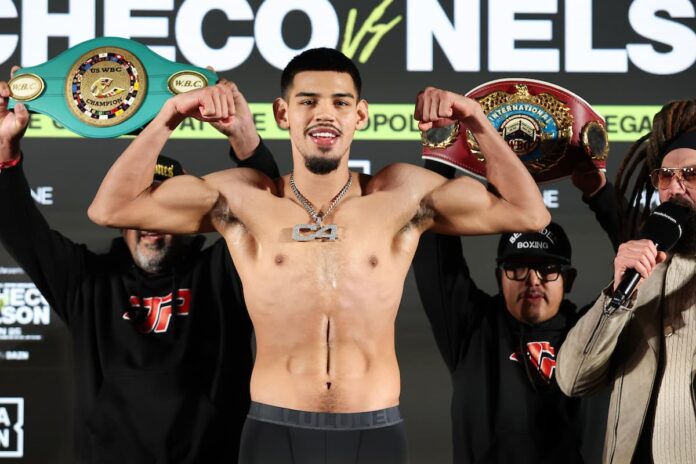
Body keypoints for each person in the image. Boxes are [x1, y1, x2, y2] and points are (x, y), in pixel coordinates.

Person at [87, 47, 550, 463]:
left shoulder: (401, 195)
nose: (324, 114)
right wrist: (169, 114)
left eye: (340, 102)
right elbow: (111, 208)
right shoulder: (244, 200)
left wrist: (475, 120)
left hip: (375, 431)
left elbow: (529, 214)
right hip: (275, 428)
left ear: (361, 115)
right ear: (283, 113)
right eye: (308, 101)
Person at [0, 76, 279, 463]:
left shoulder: (222, 273)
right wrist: (5, 156)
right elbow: (18, 227)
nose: (150, 222)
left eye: (162, 207)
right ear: (118, 216)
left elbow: (268, 215)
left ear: (186, 218)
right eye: (138, 207)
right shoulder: (87, 283)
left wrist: (245, 140)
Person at [413, 158, 619, 464]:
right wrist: (442, 153)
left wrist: (600, 194)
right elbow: (432, 244)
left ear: (569, 280)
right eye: (517, 268)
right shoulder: (472, 328)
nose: (532, 280)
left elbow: (647, 263)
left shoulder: (593, 333)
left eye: (548, 268)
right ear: (499, 277)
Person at [556, 98, 696, 464]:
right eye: (665, 176)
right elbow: (572, 379)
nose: (675, 189)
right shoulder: (642, 270)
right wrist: (618, 295)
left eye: (691, 175)